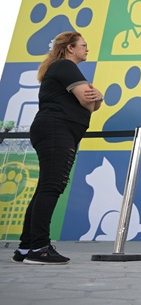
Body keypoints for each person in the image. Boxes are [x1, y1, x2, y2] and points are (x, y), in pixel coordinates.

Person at [14, 31, 103, 265]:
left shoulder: (61, 68)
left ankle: (26, 247)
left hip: (55, 130)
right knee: (52, 186)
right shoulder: (65, 66)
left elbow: (91, 104)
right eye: (83, 45)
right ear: (70, 48)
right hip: (57, 129)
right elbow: (87, 101)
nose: (87, 49)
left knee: (46, 186)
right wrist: (98, 97)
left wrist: (97, 99)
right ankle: (39, 248)